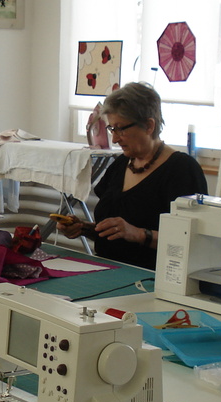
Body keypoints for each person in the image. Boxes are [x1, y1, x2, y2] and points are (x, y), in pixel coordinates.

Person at [58, 82, 207, 269]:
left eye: (121, 129)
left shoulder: (182, 170)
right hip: (107, 269)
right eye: (112, 129)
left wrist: (138, 234)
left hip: (153, 275)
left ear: (149, 126)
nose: (115, 139)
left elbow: (193, 241)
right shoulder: (121, 164)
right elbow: (116, 233)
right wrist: (83, 228)